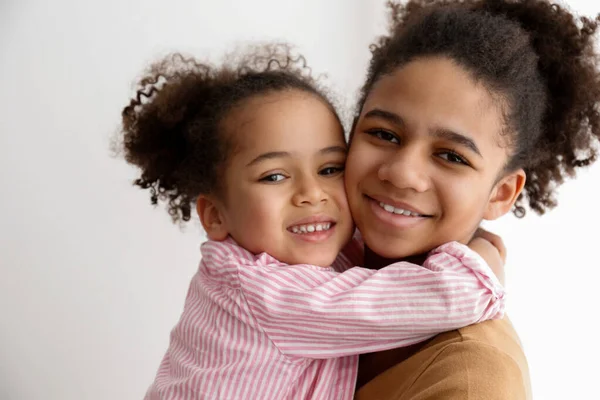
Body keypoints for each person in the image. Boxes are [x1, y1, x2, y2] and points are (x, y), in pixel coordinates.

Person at [116, 45, 507, 400]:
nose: (311, 193)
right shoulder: (266, 294)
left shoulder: (300, 254)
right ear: (215, 215)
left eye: (330, 168)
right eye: (274, 176)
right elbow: (446, 296)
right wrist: (483, 254)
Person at [348, 0, 600, 398]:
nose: (401, 172)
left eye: (451, 156)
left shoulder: (471, 380)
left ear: (500, 194)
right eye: (384, 134)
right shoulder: (302, 267)